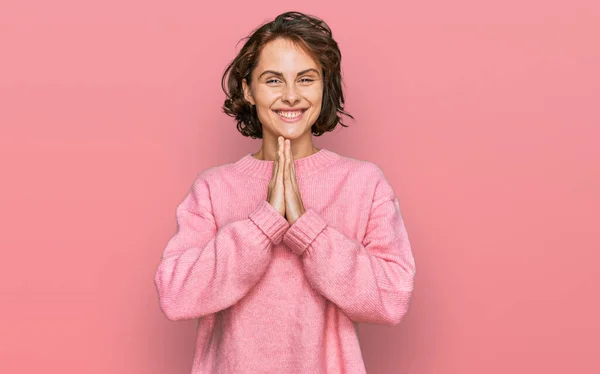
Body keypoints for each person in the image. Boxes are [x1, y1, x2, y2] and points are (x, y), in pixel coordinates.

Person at [154, 11, 416, 374]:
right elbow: (176, 295)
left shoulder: (363, 183)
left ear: (324, 87)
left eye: (306, 79)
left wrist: (308, 231)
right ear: (248, 89)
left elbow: (392, 299)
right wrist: (263, 224)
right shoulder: (213, 189)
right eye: (273, 80)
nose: (291, 96)